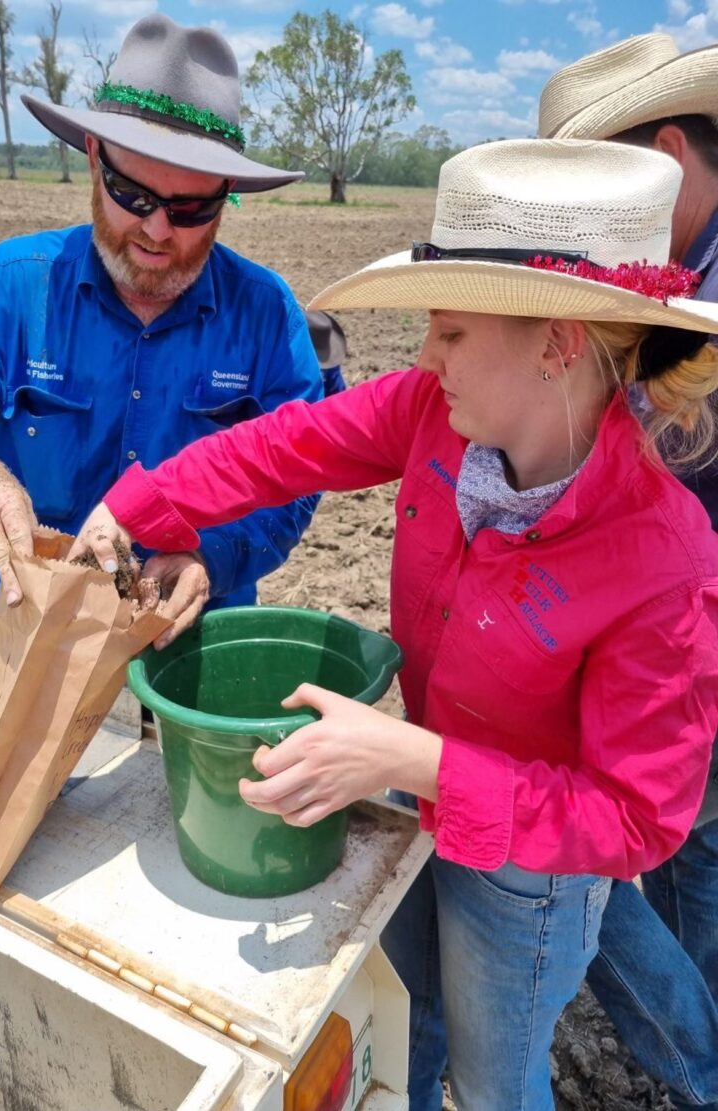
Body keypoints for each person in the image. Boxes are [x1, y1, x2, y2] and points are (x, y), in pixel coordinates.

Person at [73, 139, 718, 1110]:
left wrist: (411, 762)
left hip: (526, 873)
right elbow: (285, 446)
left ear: (555, 345)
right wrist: (143, 506)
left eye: (451, 332)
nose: (426, 355)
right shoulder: (431, 415)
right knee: (404, 1007)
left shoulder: (660, 554)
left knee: (492, 1077)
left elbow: (630, 816)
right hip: (419, 787)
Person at [0, 13, 323, 640]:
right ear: (94, 158)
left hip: (190, 644)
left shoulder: (266, 313)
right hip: (31, 633)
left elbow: (297, 478)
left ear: (228, 194)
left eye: (191, 208)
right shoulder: (9, 288)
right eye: (133, 195)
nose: (157, 230)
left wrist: (211, 556)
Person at [541, 33, 718, 1110]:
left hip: (686, 634)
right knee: (693, 846)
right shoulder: (678, 279)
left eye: (591, 199)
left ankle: (695, 1065)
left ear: (660, 155)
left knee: (578, 846)